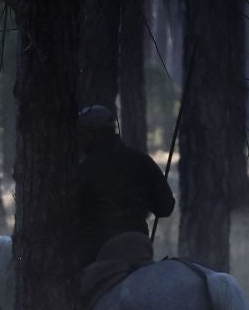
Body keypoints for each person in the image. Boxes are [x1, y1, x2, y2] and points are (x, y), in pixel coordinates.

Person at [74, 104, 174, 271]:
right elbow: (166, 207)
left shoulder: (84, 170)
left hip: (99, 253)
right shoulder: (142, 161)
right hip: (140, 246)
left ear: (92, 135)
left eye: (82, 135)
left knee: (76, 293)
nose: (79, 140)